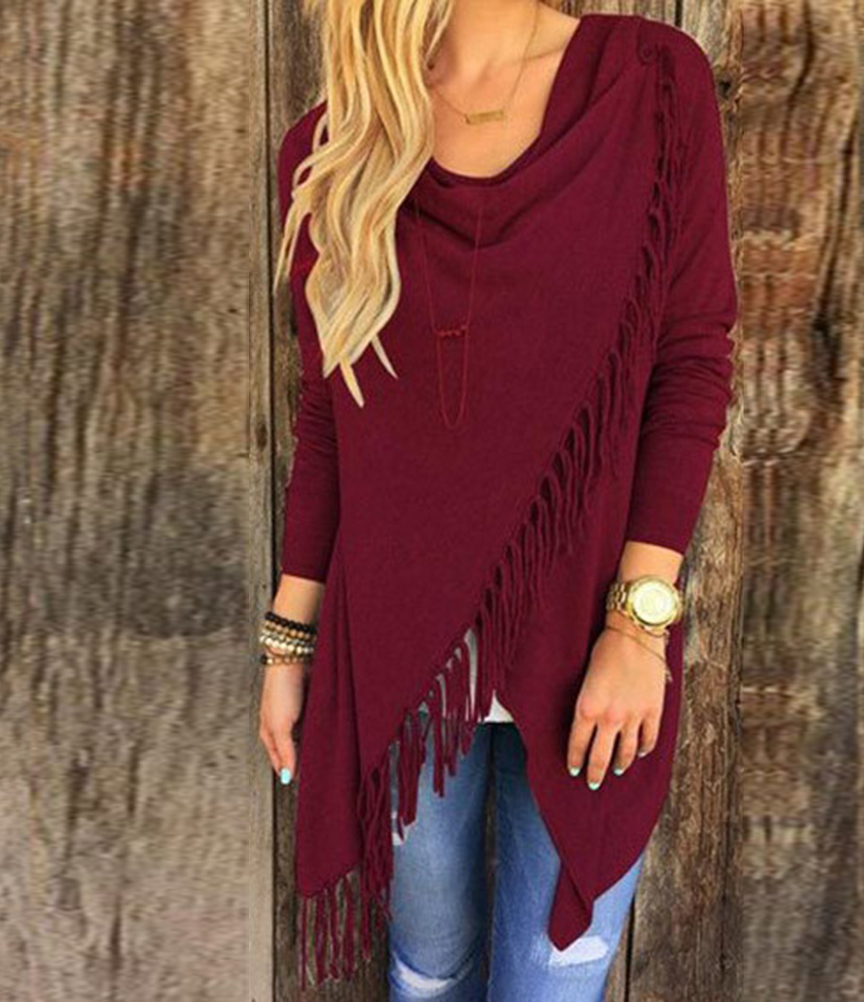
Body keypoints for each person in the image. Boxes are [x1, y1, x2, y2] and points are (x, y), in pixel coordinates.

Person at [258, 2, 738, 999]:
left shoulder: (650, 82)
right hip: (395, 658)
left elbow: (690, 363)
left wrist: (638, 625)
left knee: (551, 983)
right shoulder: (334, 145)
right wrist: (289, 646)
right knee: (427, 971)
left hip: (589, 647)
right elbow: (329, 417)